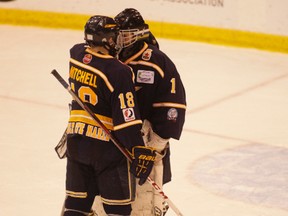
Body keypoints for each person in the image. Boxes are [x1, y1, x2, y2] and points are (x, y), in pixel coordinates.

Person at [93, 8, 186, 216]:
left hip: (145, 145)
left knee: (144, 205)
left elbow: (173, 105)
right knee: (102, 202)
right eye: (118, 35)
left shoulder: (157, 62)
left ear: (139, 34)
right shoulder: (109, 59)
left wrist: (156, 145)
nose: (120, 40)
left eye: (125, 35)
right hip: (110, 142)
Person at [62, 15, 156, 216]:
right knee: (117, 209)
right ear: (106, 39)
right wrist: (137, 149)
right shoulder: (119, 72)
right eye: (113, 36)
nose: (116, 41)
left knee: (76, 206)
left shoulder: (76, 54)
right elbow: (126, 118)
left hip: (76, 143)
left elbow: (87, 52)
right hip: (106, 150)